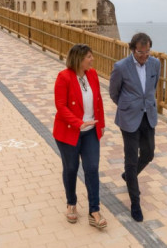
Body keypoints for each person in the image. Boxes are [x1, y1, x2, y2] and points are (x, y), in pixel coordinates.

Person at [53, 44, 107, 229]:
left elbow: (98, 101)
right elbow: (61, 106)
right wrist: (78, 122)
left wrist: (101, 124)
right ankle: (71, 203)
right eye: (89, 57)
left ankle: (94, 210)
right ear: (79, 59)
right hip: (69, 132)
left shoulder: (92, 74)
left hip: (91, 131)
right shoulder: (64, 77)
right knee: (71, 169)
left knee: (92, 168)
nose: (92, 60)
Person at [109, 33, 160, 222]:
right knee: (131, 160)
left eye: (147, 52)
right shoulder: (121, 67)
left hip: (148, 115)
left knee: (149, 154)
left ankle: (128, 177)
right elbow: (114, 92)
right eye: (140, 52)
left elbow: (152, 87)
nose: (144, 56)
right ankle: (135, 202)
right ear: (132, 49)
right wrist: (127, 106)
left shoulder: (155, 64)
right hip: (129, 118)